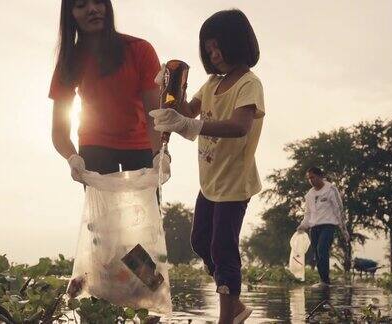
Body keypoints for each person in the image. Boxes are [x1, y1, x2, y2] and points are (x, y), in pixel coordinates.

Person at [151, 9, 263, 324]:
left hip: (235, 183)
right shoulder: (213, 82)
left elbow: (241, 126)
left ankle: (226, 317)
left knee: (223, 249)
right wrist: (173, 87)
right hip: (210, 182)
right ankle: (236, 303)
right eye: (209, 49)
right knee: (200, 242)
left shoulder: (248, 84)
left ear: (239, 43)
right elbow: (187, 109)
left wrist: (194, 126)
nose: (214, 55)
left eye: (219, 47)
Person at [50, 0, 165, 180]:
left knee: (141, 208)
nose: (92, 10)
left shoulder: (140, 49)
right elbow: (59, 131)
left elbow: (154, 115)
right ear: (70, 15)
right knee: (103, 208)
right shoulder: (69, 61)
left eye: (98, 2)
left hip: (140, 144)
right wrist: (73, 158)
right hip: (94, 146)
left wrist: (160, 154)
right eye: (81, 5)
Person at [297, 167, 350, 287]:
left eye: (313, 177)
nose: (311, 180)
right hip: (314, 227)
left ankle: (326, 281)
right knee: (316, 254)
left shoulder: (331, 189)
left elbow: (339, 210)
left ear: (320, 176)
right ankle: (323, 281)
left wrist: (343, 229)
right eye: (309, 178)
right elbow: (308, 214)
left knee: (322, 250)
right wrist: (302, 226)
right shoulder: (309, 195)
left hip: (328, 226)